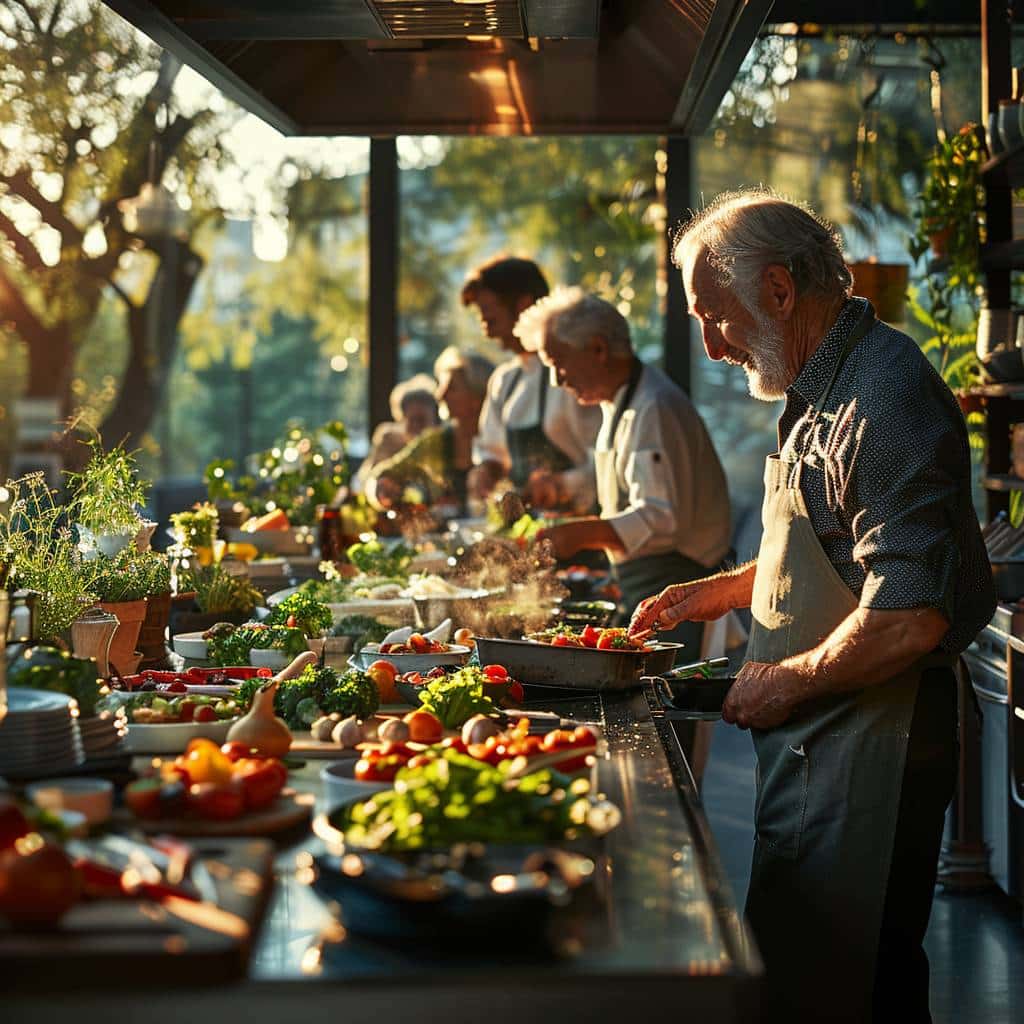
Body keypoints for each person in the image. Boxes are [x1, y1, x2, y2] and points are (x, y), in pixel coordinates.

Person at [629, 188, 996, 1024]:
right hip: (826, 731)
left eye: (713, 317)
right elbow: (838, 550)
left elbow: (910, 612)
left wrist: (784, 681)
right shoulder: (820, 389)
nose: (713, 348)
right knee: (807, 961)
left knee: (856, 979)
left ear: (781, 291)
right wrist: (717, 590)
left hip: (883, 734)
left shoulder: (887, 393)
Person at [515, 287, 731, 654]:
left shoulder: (654, 408)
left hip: (678, 591)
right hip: (645, 584)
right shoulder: (621, 402)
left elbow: (661, 520)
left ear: (598, 349)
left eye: (556, 362)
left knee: (664, 702)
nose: (556, 380)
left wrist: (578, 535)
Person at [462, 256, 600, 512]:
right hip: (531, 533)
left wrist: (563, 484)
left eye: (491, 320)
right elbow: (492, 452)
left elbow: (608, 463)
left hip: (583, 529)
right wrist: (486, 470)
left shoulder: (573, 376)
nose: (487, 333)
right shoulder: (504, 381)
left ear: (524, 305)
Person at [365, 347, 492, 517]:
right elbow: (382, 475)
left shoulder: (499, 440)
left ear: (477, 396)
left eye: (451, 388)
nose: (440, 395)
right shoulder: (435, 442)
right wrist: (381, 487)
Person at [352, 376, 439, 491]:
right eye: (412, 420)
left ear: (435, 421)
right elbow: (365, 481)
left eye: (422, 419)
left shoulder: (443, 444)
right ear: (402, 420)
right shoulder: (390, 440)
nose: (417, 426)